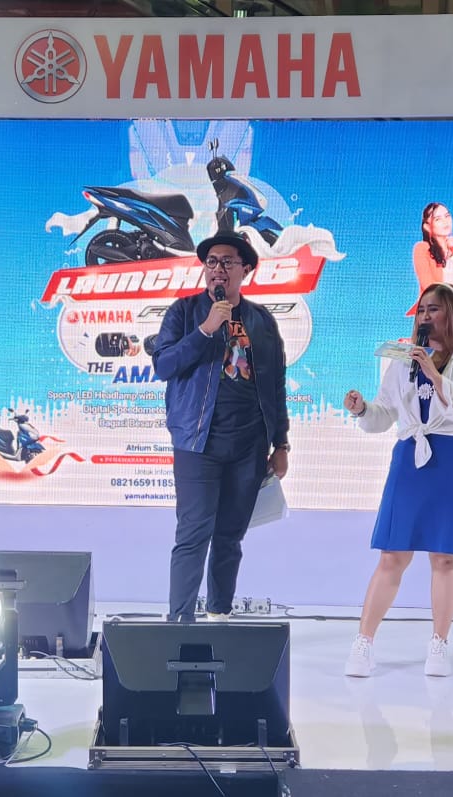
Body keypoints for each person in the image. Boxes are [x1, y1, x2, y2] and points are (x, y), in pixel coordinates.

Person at [342, 282, 453, 678]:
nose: (425, 316)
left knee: (445, 557)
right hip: (410, 458)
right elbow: (384, 414)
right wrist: (362, 410)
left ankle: (439, 644)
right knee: (392, 555)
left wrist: (434, 374)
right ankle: (363, 642)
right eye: (422, 309)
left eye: (434, 309)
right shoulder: (401, 359)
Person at [151, 233, 290, 622]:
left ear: (245, 270)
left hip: (249, 445)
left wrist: (280, 443)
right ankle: (179, 622)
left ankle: (219, 618)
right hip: (198, 442)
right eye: (211, 261)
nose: (218, 269)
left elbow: (275, 384)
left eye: (227, 262)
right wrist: (206, 330)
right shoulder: (184, 312)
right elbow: (163, 365)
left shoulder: (262, 321)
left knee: (230, 536)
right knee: (193, 534)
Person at [411, 203, 453, 293]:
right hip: (434, 301)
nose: (445, 221)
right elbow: (428, 285)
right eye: (438, 219)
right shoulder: (422, 248)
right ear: (427, 227)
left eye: (447, 216)